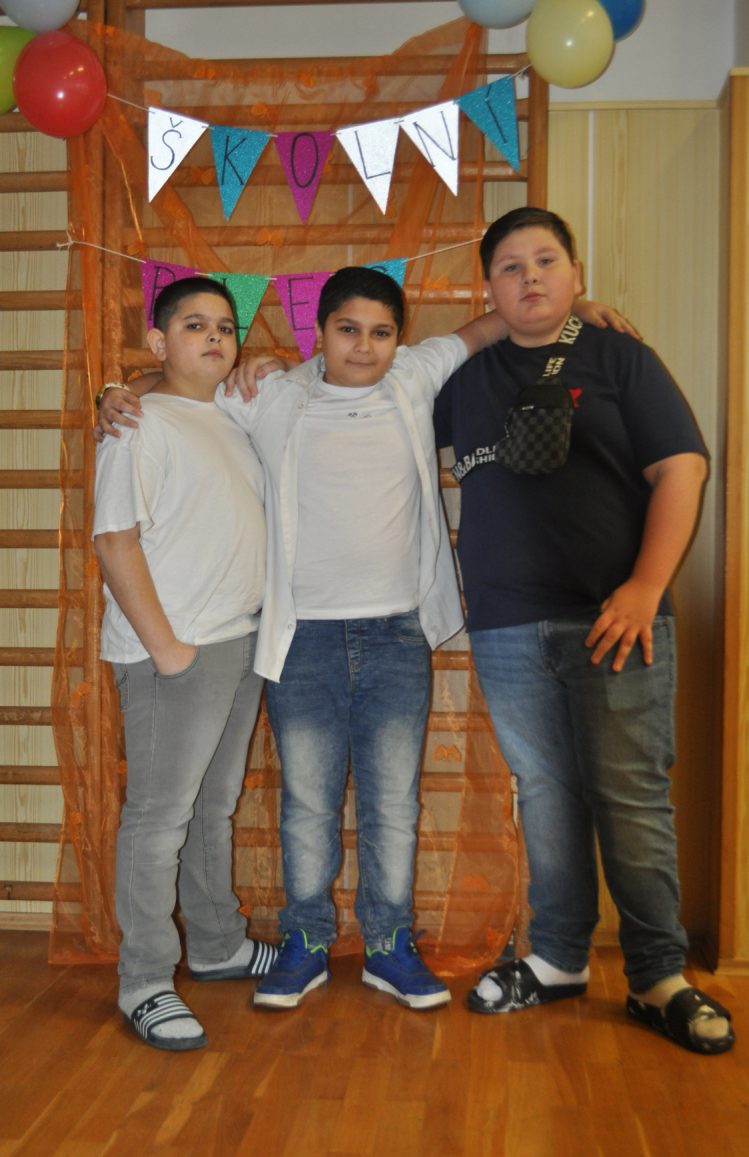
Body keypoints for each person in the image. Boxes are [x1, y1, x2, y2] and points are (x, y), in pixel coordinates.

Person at [96, 267, 631, 1014]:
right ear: (319, 333)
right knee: (306, 805)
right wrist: (118, 390)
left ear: (399, 339)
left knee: (392, 803)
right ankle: (305, 940)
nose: (364, 346)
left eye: (381, 333)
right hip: (301, 638)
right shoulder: (270, 394)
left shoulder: (413, 375)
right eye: (348, 330)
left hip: (396, 635)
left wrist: (570, 310)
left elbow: (483, 327)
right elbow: (185, 384)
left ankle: (388, 945)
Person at [433, 207, 734, 1054]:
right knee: (545, 793)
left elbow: (682, 468)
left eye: (546, 261)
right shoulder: (461, 380)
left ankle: (656, 976)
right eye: (509, 267)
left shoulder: (618, 356)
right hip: (504, 625)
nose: (529, 277)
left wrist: (644, 587)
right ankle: (558, 957)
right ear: (487, 288)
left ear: (576, 274)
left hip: (614, 620)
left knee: (629, 796)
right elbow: (366, 397)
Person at [93, 277, 277, 1052]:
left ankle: (216, 942)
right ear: (158, 341)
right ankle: (143, 978)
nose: (214, 338)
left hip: (238, 640)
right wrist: (167, 648)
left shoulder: (231, 413)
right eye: (194, 325)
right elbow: (114, 539)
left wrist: (267, 356)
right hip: (174, 650)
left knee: (213, 806)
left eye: (225, 327)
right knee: (159, 816)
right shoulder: (135, 424)